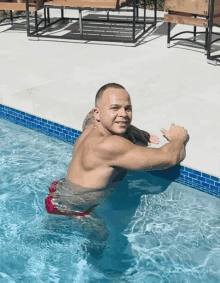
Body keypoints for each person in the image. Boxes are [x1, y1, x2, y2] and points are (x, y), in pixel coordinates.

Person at [45, 82, 187, 222]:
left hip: (61, 192)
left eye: (127, 108)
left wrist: (130, 129)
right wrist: (177, 139)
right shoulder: (110, 146)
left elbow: (88, 116)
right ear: (97, 113)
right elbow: (170, 158)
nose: (123, 114)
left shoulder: (90, 127)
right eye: (115, 108)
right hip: (75, 210)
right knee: (104, 243)